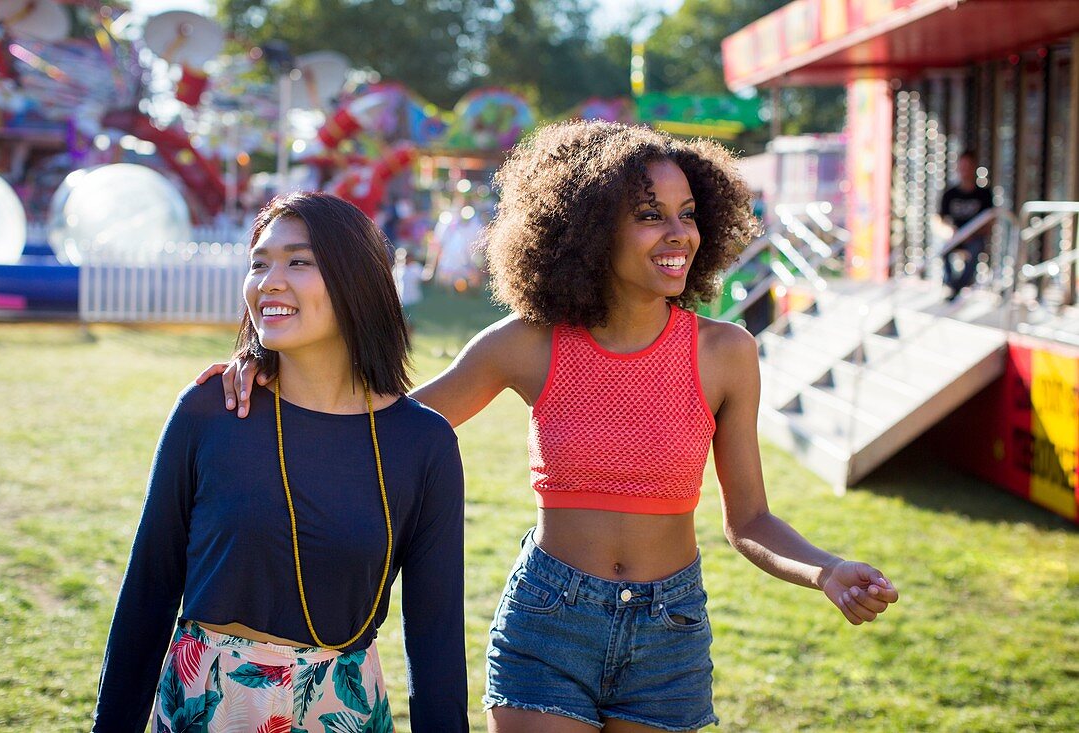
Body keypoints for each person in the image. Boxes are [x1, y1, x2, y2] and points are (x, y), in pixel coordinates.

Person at [203, 122, 899, 732]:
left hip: (671, 629)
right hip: (550, 619)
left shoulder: (725, 354)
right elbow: (387, 424)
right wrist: (269, 367)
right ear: (590, 228)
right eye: (651, 215)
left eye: (687, 214)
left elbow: (748, 519)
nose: (678, 233)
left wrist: (827, 570)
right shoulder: (529, 344)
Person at [94, 192, 467, 732]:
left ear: (356, 279)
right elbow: (148, 592)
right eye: (259, 263)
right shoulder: (213, 410)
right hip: (209, 704)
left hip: (344, 706)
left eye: (298, 261)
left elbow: (436, 639)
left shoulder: (424, 442)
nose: (268, 280)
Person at [938, 151, 994, 301]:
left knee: (976, 248)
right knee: (943, 248)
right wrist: (950, 232)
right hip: (955, 236)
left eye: (968, 167)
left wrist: (972, 234)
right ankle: (951, 283)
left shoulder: (984, 194)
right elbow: (939, 219)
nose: (965, 171)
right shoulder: (950, 194)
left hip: (975, 237)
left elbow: (990, 222)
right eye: (962, 167)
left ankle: (957, 287)